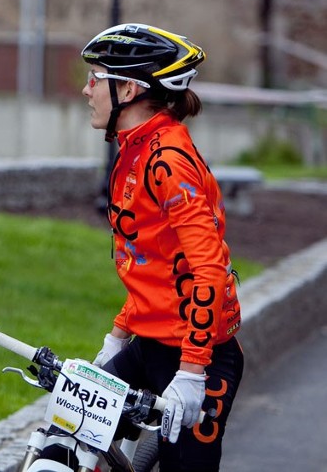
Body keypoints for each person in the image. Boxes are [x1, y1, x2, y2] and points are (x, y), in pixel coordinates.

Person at [82, 24, 244, 471]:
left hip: (200, 359)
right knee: (70, 426)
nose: (86, 89)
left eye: (96, 78)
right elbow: (152, 264)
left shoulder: (167, 160)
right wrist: (117, 336)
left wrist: (193, 372)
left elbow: (207, 269)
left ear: (129, 88)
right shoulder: (135, 151)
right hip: (149, 345)